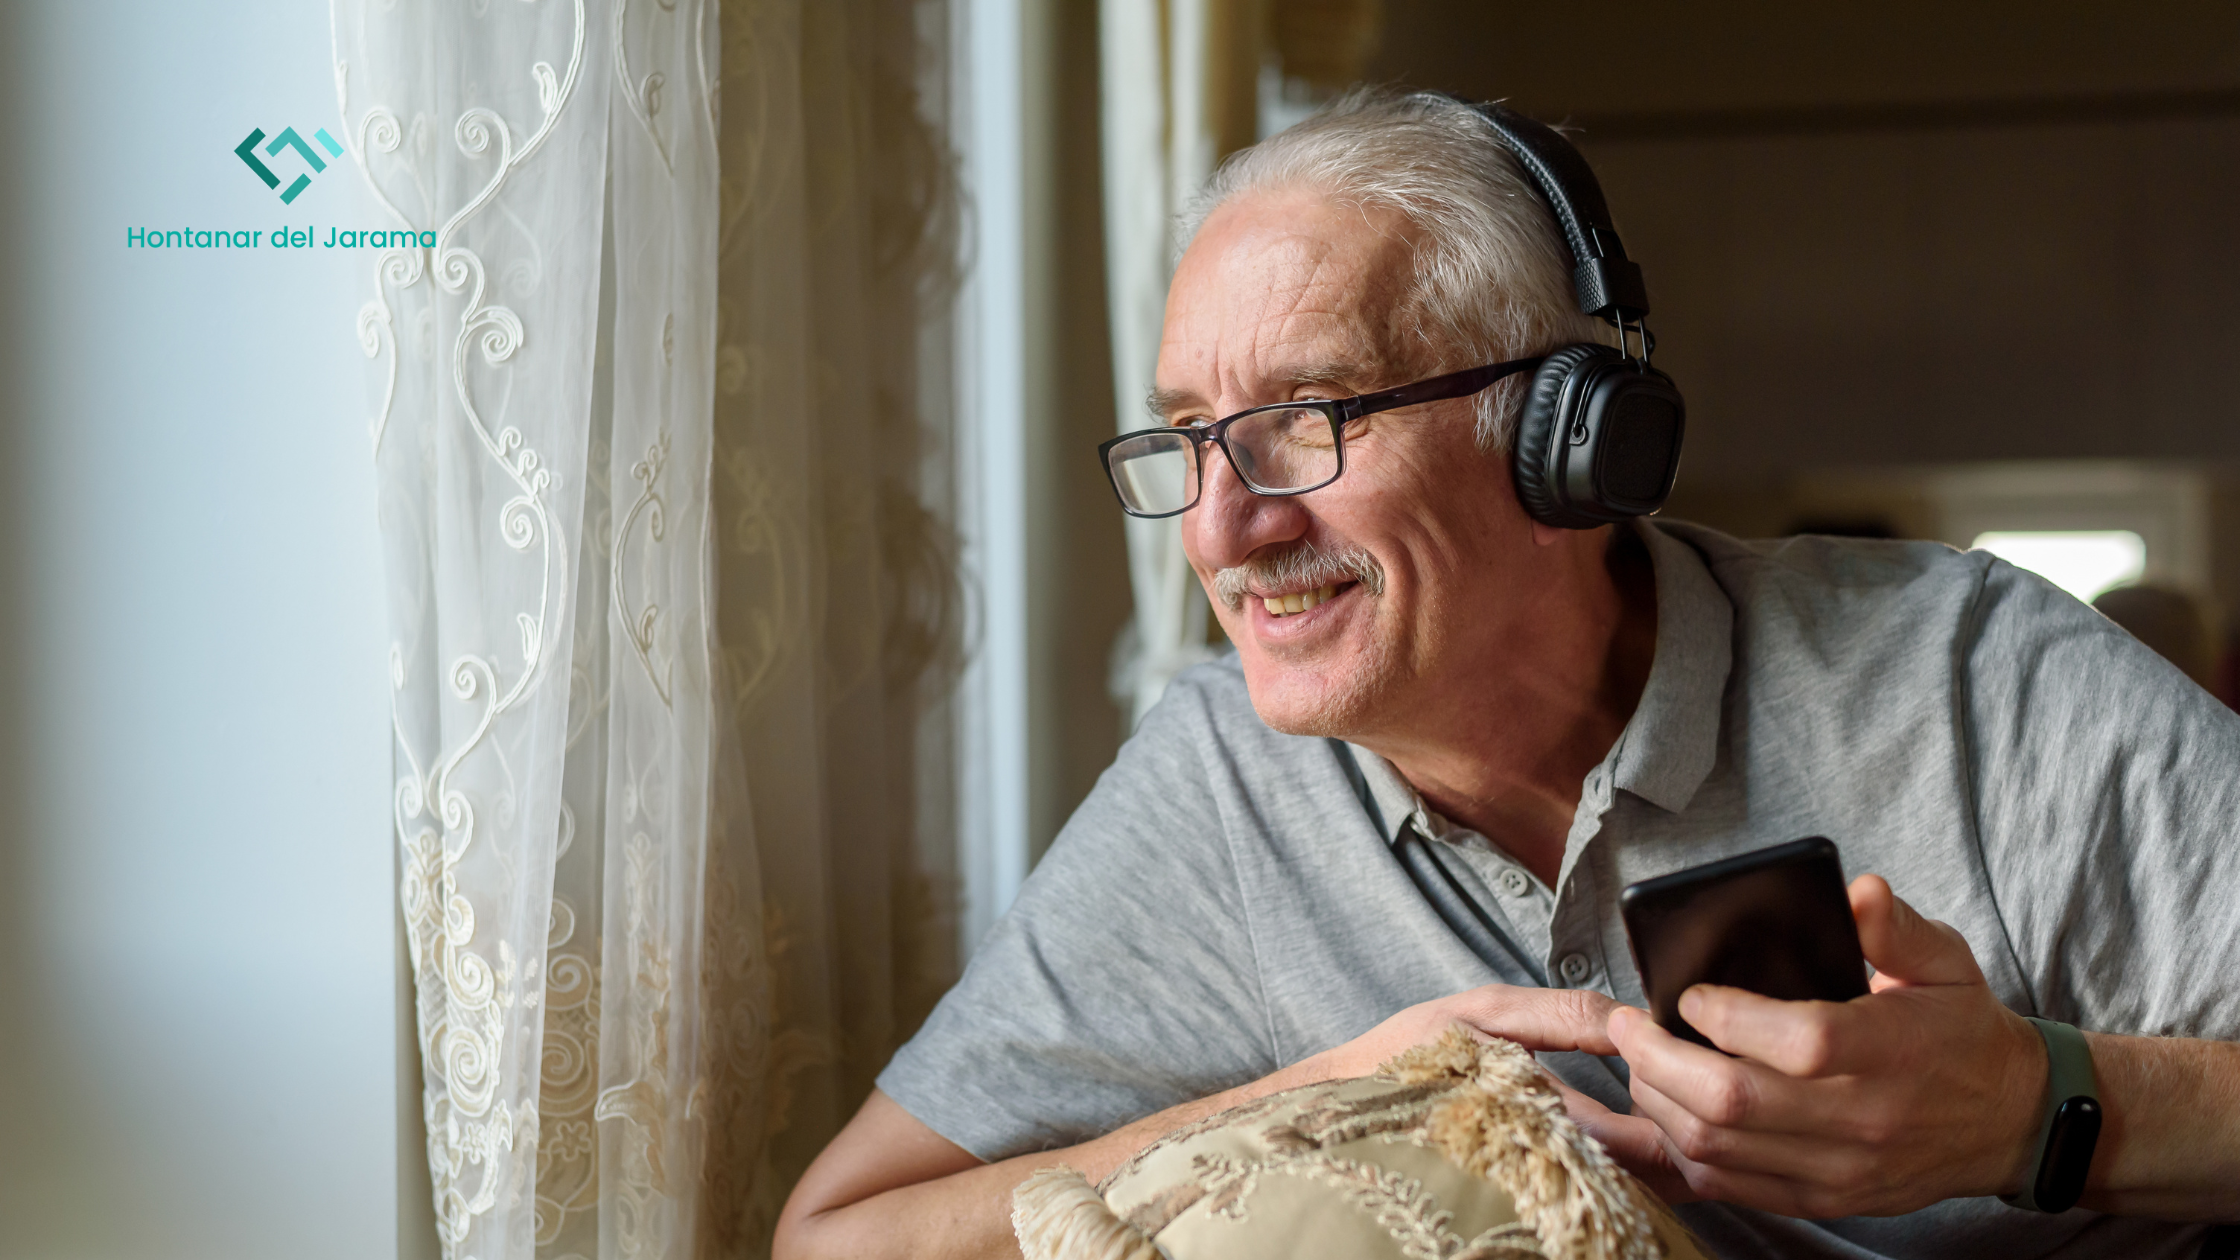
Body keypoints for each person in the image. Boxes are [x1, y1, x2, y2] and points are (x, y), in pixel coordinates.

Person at [773, 88, 2240, 1260]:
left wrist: (2038, 1112)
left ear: (1562, 433)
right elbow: (841, 1237)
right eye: (1190, 434)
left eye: (1309, 417)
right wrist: (1328, 1100)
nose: (1223, 527)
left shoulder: (1970, 677)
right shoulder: (1221, 781)